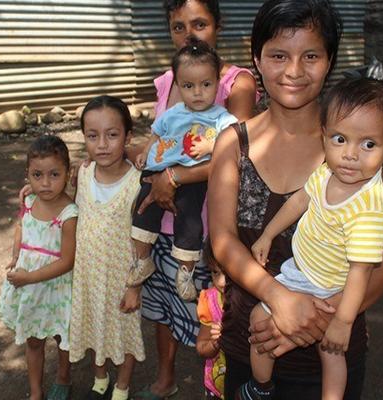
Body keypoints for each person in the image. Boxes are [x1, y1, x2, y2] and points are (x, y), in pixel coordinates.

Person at [207, 1, 383, 399]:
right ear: (257, 59)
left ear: (330, 60)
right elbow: (224, 241)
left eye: (311, 56)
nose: (294, 71)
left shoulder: (353, 150)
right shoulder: (234, 143)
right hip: (251, 342)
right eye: (279, 55)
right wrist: (277, 298)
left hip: (329, 356)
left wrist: (315, 321)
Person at [240, 77, 383, 400]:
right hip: (303, 270)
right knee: (320, 348)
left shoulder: (368, 210)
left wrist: (342, 320)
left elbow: (361, 271)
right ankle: (271, 387)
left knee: (316, 342)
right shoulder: (327, 172)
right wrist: (268, 235)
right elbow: (301, 199)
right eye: (340, 139)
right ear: (325, 136)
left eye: (368, 144)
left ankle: (262, 388)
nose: (351, 155)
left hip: (327, 286)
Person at [134, 0, 259, 398]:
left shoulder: (236, 83)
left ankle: (217, 386)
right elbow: (161, 140)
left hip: (205, 223)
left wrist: (173, 176)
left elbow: (237, 152)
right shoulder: (168, 80)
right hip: (162, 221)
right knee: (163, 307)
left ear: (218, 27)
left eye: (199, 24)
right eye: (178, 27)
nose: (189, 34)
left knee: (213, 317)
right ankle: (167, 376)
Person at [129, 39, 237, 302]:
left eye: (206, 84)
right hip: (158, 170)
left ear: (217, 84)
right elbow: (156, 133)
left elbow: (236, 140)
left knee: (189, 220)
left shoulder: (221, 116)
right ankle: (143, 260)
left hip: (192, 178)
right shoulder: (173, 112)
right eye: (189, 86)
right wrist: (146, 151)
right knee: (141, 209)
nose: (198, 92)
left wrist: (212, 143)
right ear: (177, 84)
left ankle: (185, 271)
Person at [68, 95, 145, 400]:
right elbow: (66, 205)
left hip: (121, 279)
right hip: (87, 275)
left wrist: (135, 285)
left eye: (112, 135)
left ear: (128, 137)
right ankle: (100, 374)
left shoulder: (139, 183)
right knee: (90, 323)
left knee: (124, 332)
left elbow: (143, 240)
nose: (102, 144)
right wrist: (32, 193)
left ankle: (123, 384)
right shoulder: (83, 174)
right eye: (92, 136)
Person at [0, 135, 78, 400]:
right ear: (27, 176)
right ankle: (35, 392)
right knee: (33, 340)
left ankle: (63, 377)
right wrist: (15, 255)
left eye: (54, 174)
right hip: (29, 286)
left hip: (56, 287)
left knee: (60, 336)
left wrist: (29, 277)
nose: (45, 183)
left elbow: (67, 261)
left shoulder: (69, 214)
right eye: (37, 175)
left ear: (68, 173)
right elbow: (21, 227)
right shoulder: (29, 202)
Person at [196, 237, 227, 399]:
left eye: (228, 273)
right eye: (215, 272)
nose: (221, 282)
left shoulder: (255, 304)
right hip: (216, 386)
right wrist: (216, 342)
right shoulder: (210, 300)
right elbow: (201, 348)